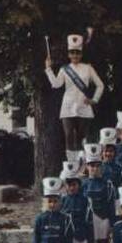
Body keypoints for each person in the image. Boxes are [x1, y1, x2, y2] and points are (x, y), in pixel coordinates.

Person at [45, 34, 105, 163]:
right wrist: (48, 68)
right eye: (72, 53)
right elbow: (56, 84)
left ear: (81, 54)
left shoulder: (88, 68)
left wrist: (94, 99)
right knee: (68, 135)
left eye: (77, 53)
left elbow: (100, 85)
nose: (75, 56)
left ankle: (82, 163)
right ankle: (71, 164)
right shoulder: (64, 69)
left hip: (84, 105)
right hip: (68, 106)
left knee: (81, 136)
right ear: (69, 54)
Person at [82, 143, 116, 243]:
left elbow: (110, 204)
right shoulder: (83, 184)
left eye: (97, 166)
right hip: (88, 221)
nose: (94, 169)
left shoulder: (107, 184)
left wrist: (111, 223)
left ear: (101, 166)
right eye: (91, 166)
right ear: (87, 167)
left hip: (103, 220)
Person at [99, 127, 122, 193]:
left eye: (111, 151)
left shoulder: (120, 168)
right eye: (106, 151)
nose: (108, 154)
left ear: (115, 152)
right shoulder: (97, 167)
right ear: (101, 152)